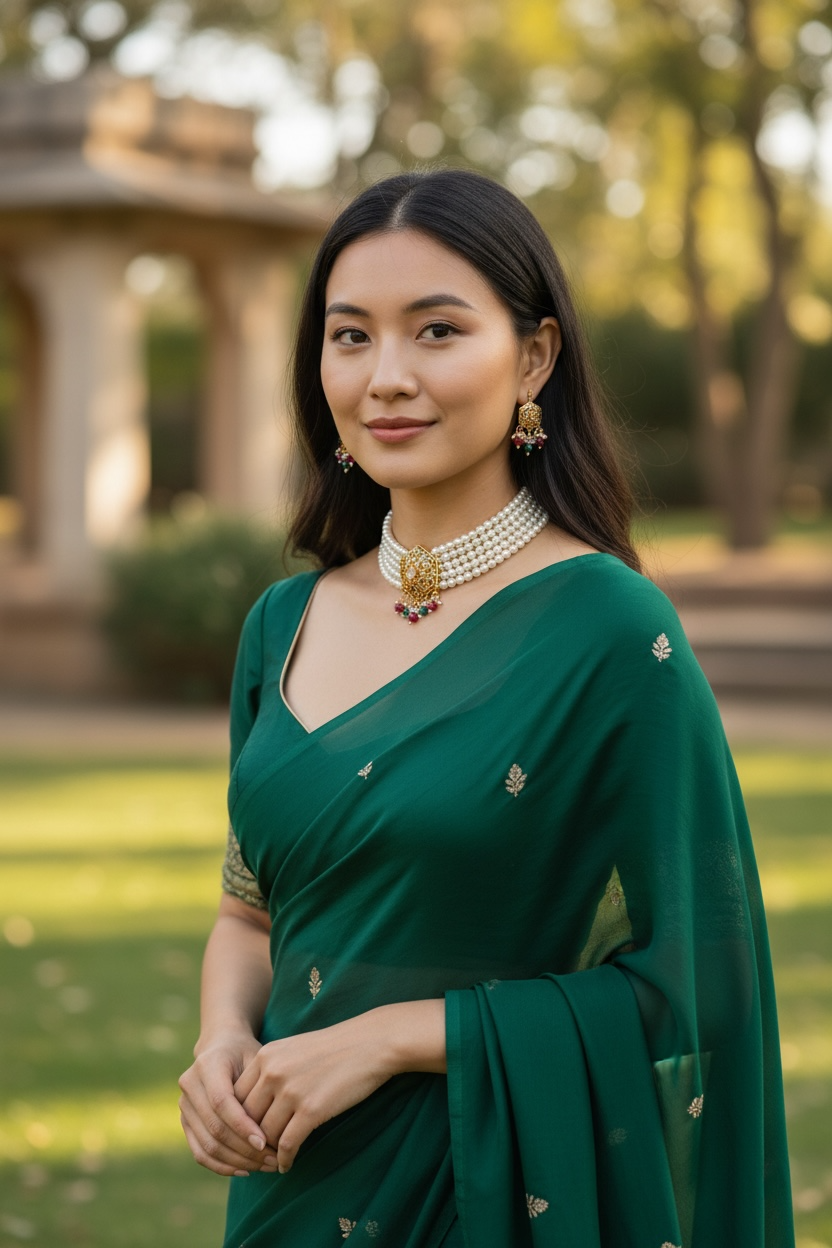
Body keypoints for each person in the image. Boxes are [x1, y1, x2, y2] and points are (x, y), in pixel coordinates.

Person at [178, 168, 794, 1248]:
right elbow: (248, 911)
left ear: (536, 358)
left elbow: (703, 984)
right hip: (290, 1185)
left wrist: (392, 1039)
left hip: (490, 1192)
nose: (386, 378)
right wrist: (221, 1037)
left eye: (437, 332)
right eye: (351, 336)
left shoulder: (607, 631)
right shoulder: (281, 626)